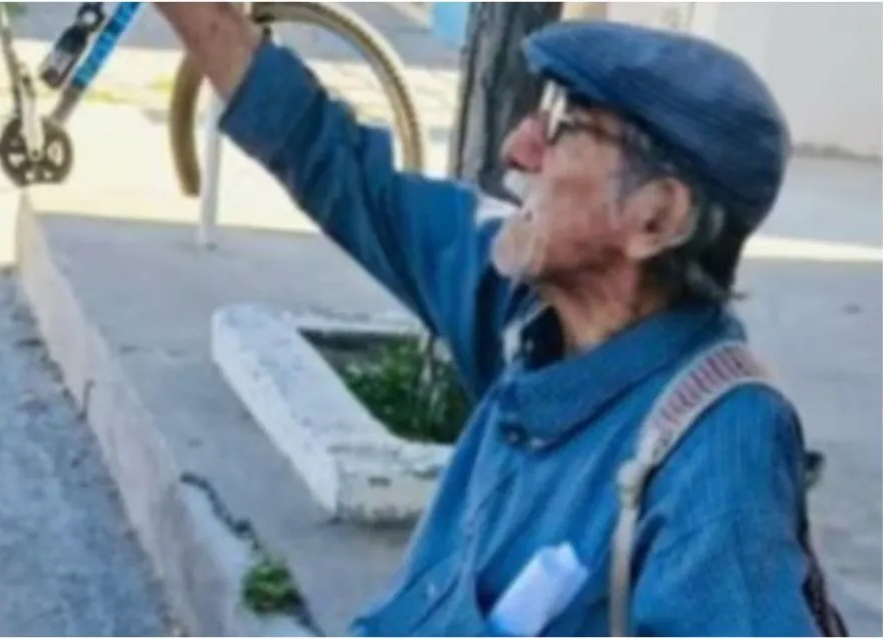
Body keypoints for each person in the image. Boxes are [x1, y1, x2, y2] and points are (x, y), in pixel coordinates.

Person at [155, 5, 846, 636]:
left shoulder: (716, 452)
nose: (518, 149)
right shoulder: (530, 317)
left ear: (655, 218)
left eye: (562, 125)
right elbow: (335, 163)